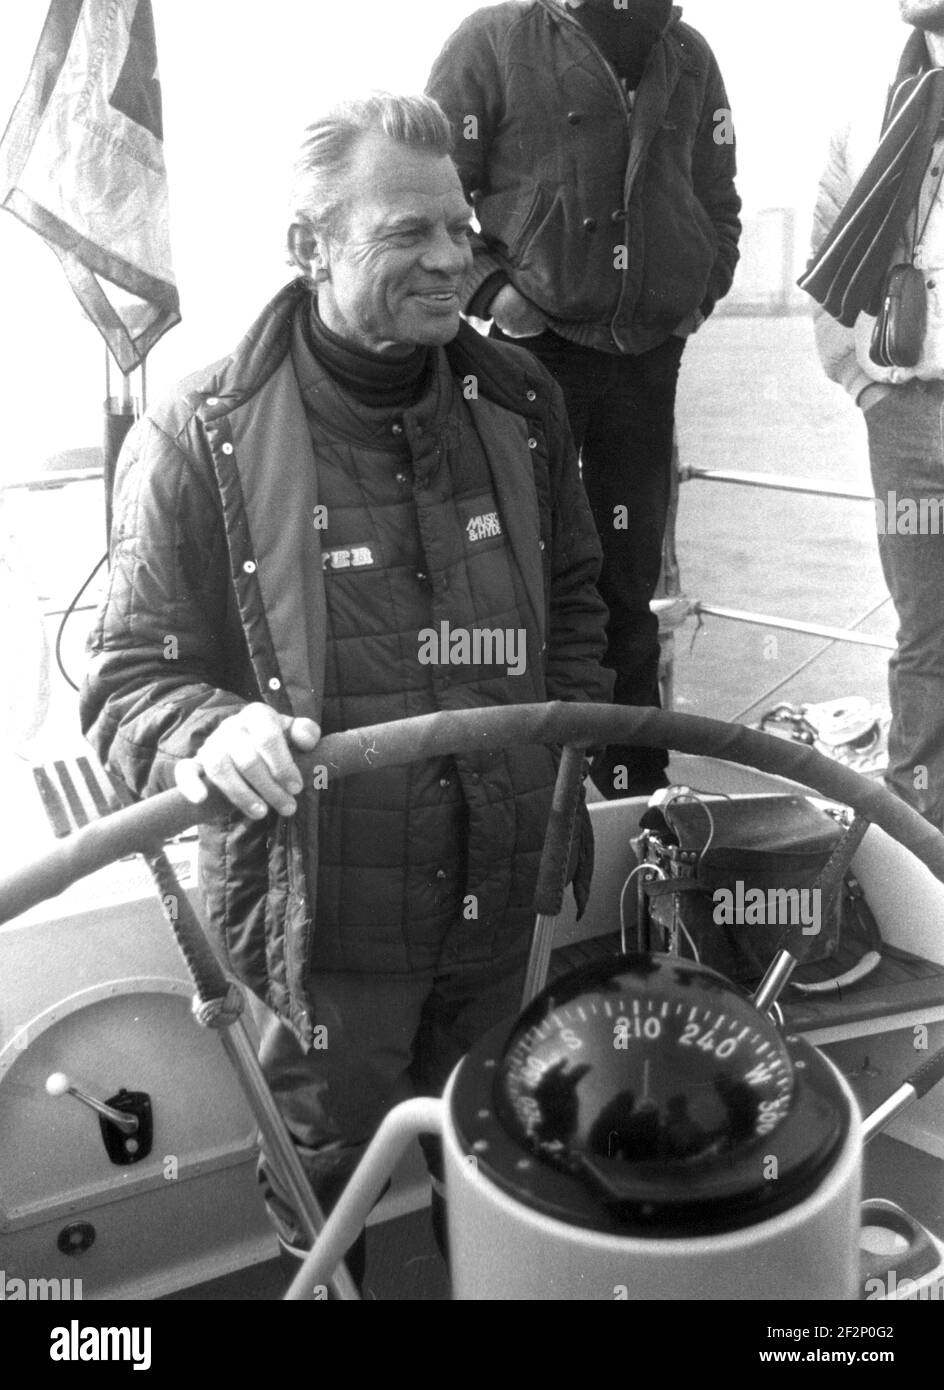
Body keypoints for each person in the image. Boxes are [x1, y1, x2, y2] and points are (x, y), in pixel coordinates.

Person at [79, 92, 613, 1285]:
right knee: (325, 1185)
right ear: (308, 248)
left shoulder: (522, 403)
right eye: (405, 232)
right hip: (322, 921)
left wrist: (555, 775)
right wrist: (214, 730)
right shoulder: (196, 430)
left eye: (460, 229)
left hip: (501, 901)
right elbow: (128, 680)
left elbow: (578, 605)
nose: (448, 259)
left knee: (504, 1158)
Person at [427, 0, 741, 799]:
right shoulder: (491, 41)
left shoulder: (689, 53)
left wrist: (694, 298)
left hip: (646, 356)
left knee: (627, 579)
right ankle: (521, 781)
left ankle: (635, 783)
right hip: (531, 354)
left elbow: (718, 198)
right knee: (514, 572)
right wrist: (493, 292)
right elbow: (433, 191)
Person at [803, 0, 944, 831]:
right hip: (905, 417)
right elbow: (827, 262)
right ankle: (924, 838)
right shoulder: (869, 107)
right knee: (926, 637)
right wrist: (865, 389)